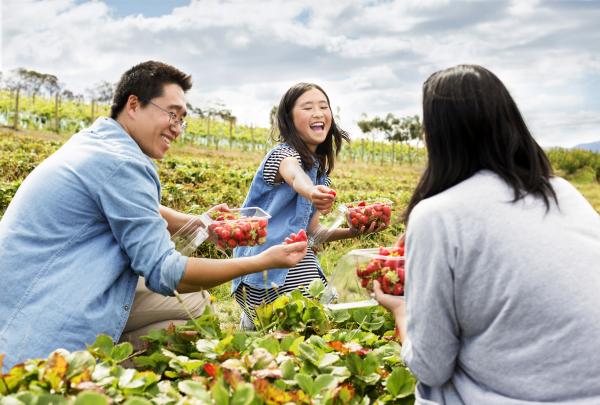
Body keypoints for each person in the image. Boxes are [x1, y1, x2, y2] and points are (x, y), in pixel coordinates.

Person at [0, 61, 307, 370]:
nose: (177, 126)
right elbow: (165, 272)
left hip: (23, 291)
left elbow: (135, 206)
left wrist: (199, 223)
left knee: (193, 304)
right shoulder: (123, 164)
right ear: (133, 104)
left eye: (183, 119)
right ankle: (94, 371)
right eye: (171, 113)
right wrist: (263, 261)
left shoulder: (96, 143)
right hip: (42, 316)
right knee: (190, 311)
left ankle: (112, 356)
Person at [373, 64, 600, 404]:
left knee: (432, 389)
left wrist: (401, 311)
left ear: (438, 135)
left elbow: (430, 367)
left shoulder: (437, 215)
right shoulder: (561, 191)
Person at [232, 82, 385, 329]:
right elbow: (293, 174)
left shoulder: (318, 172)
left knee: (325, 311)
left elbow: (314, 233)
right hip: (262, 268)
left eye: (323, 106)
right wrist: (311, 190)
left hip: (296, 259)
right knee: (306, 320)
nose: (318, 112)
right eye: (307, 107)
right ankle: (254, 317)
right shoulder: (280, 155)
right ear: (289, 119)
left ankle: (257, 319)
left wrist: (353, 231)